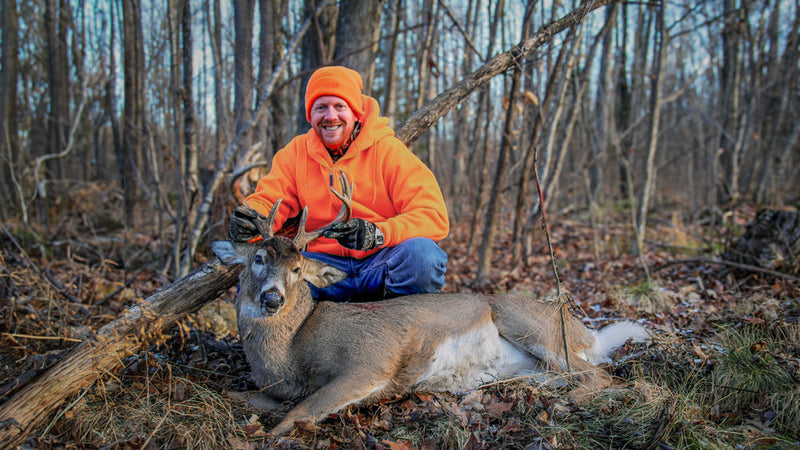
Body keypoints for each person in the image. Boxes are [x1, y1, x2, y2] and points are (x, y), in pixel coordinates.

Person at [227, 66, 449, 301]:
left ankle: (397, 328)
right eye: (321, 107)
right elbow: (270, 199)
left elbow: (432, 215)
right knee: (255, 281)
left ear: (355, 112)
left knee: (423, 257)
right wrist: (251, 218)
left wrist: (379, 234)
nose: (330, 116)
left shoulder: (388, 151)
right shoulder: (295, 153)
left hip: (380, 261)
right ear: (310, 115)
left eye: (339, 106)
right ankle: (287, 337)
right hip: (320, 268)